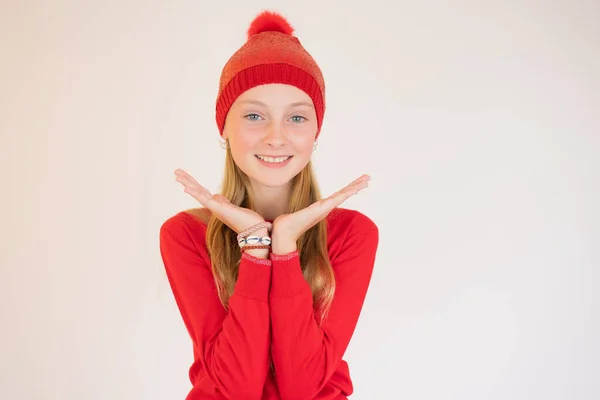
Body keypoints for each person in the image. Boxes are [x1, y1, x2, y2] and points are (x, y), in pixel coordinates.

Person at [159, 10, 379, 400]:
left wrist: (286, 249)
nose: (276, 137)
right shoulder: (185, 235)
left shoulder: (352, 234)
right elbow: (236, 389)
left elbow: (302, 388)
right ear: (224, 127)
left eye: (296, 117)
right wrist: (255, 248)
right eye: (255, 115)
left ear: (315, 132)